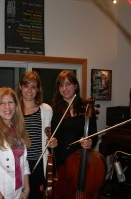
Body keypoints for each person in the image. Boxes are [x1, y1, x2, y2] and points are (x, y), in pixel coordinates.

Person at [50, 70, 98, 198]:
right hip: (61, 163)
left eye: (68, 84)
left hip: (82, 163)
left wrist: (90, 142)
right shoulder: (53, 109)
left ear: (76, 86)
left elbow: (94, 135)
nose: (64, 88)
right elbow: (50, 134)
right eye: (61, 85)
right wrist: (51, 141)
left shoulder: (86, 107)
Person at [17, 71, 57, 199]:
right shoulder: (13, 109)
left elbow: (50, 134)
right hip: (20, 163)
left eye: (33, 87)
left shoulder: (46, 109)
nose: (29, 90)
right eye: (26, 86)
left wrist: (52, 142)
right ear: (20, 87)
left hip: (38, 163)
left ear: (38, 89)